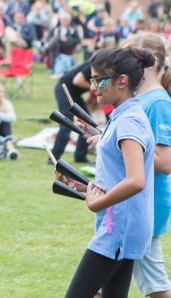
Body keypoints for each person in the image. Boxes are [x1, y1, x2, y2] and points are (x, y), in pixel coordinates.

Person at [62, 47, 155, 298]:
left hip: (120, 227)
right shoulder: (121, 115)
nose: (93, 87)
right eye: (92, 80)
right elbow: (117, 174)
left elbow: (136, 180)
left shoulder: (129, 121)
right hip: (122, 224)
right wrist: (84, 186)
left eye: (98, 80)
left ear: (122, 81)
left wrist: (97, 203)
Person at [121, 34, 171, 298]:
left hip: (145, 206)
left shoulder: (158, 103)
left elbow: (165, 162)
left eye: (129, 61)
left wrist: (124, 147)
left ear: (148, 64)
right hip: (131, 203)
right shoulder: (141, 98)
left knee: (156, 288)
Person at [50, 61, 93, 163]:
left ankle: (80, 156)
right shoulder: (95, 64)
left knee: (87, 123)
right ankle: (54, 158)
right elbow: (78, 81)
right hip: (64, 90)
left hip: (74, 94)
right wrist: (94, 88)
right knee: (67, 123)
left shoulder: (103, 64)